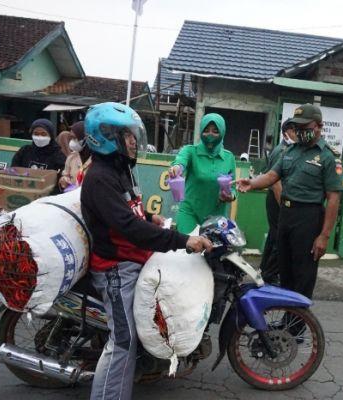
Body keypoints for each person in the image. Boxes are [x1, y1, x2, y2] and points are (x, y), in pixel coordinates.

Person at [81, 102, 212, 400]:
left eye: (132, 135)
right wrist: (182, 240)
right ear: (105, 137)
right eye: (126, 135)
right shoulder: (100, 177)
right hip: (116, 268)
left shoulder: (120, 169)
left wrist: (151, 217)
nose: (132, 141)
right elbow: (129, 227)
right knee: (123, 341)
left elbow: (128, 212)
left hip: (133, 258)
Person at [237, 104, 343, 300]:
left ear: (319, 126)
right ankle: (287, 312)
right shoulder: (290, 151)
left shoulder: (328, 157)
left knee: (303, 272)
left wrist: (324, 236)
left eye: (305, 127)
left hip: (308, 218)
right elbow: (272, 176)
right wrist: (252, 183)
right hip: (285, 215)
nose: (301, 132)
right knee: (285, 268)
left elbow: (333, 198)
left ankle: (298, 317)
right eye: (297, 128)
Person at [167, 113, 237, 234]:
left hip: (216, 216)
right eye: (206, 130)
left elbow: (234, 189)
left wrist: (230, 196)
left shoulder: (229, 158)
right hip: (189, 213)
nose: (210, 134)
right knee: (187, 245)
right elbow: (181, 161)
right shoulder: (190, 151)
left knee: (212, 246)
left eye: (215, 131)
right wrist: (177, 168)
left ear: (222, 132)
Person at [259, 118, 296, 284]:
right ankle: (270, 273)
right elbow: (275, 182)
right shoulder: (282, 151)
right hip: (277, 199)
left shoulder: (289, 150)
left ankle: (265, 269)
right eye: (295, 131)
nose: (298, 134)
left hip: (279, 198)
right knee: (280, 237)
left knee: (274, 235)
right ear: (287, 133)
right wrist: (284, 207)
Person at [11, 118, 66, 194]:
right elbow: (13, 171)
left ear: (51, 135)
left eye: (43, 134)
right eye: (36, 134)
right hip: (23, 193)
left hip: (47, 197)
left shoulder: (58, 155)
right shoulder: (24, 151)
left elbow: (61, 181)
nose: (39, 137)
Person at [59, 121, 90, 189]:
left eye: (75, 138)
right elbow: (65, 175)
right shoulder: (71, 157)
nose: (72, 141)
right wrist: (64, 180)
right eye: (71, 138)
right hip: (72, 194)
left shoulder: (97, 159)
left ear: (85, 139)